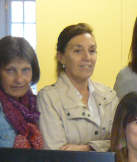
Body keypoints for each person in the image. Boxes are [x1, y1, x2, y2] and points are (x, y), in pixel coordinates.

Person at [38, 23, 118, 152]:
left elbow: (123, 143)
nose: (87, 57)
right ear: (61, 57)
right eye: (78, 51)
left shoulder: (109, 96)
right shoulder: (49, 98)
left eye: (92, 51)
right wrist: (105, 147)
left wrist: (87, 148)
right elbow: (56, 154)